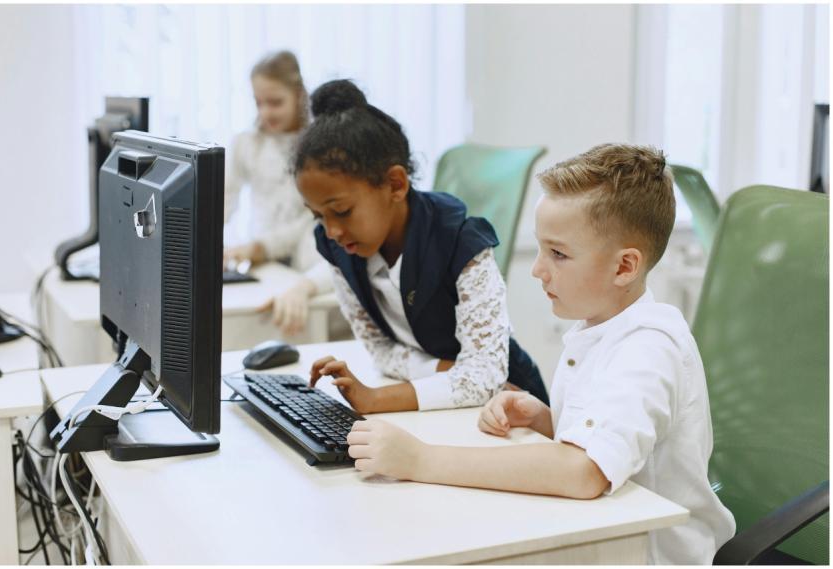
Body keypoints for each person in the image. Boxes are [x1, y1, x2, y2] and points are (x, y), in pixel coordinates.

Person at [345, 144, 736, 564]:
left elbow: (585, 472)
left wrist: (419, 459)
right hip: (598, 538)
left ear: (624, 267)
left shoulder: (649, 349)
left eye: (559, 254)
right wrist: (548, 421)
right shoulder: (599, 327)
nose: (538, 269)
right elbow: (620, 443)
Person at [293, 79, 548, 414]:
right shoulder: (338, 245)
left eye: (341, 211)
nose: (332, 231)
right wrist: (445, 370)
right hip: (438, 403)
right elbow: (380, 351)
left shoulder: (461, 241)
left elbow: (485, 376)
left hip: (512, 407)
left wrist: (374, 399)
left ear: (395, 184)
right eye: (318, 216)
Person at [223, 50, 331, 336]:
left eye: (275, 102)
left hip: (305, 262)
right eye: (259, 103)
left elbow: (313, 220)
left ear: (299, 95)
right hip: (264, 263)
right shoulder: (247, 144)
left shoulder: (319, 145)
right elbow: (220, 203)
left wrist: (262, 247)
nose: (265, 112)